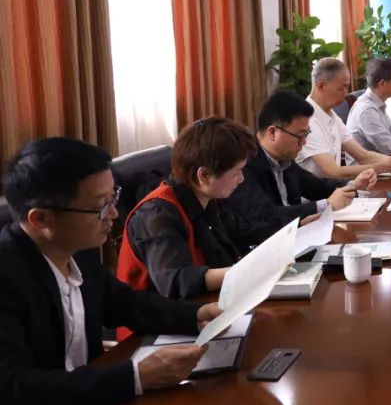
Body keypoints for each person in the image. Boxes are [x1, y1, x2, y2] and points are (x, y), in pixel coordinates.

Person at [0, 137, 224, 404]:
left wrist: (195, 315)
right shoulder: (7, 276)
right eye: (100, 206)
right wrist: (136, 377)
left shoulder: (77, 249)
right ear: (41, 219)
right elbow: (13, 386)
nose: (114, 214)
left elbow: (125, 303)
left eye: (113, 197)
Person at [118, 117, 257, 300]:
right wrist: (247, 272)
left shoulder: (206, 198)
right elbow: (175, 281)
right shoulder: (157, 215)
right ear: (204, 175)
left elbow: (244, 231)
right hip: (162, 315)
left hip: (206, 303)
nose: (241, 179)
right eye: (236, 172)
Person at [220, 90, 379, 251]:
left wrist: (353, 184)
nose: (304, 142)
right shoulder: (244, 166)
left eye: (306, 134)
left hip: (296, 241)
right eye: (299, 135)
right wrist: (327, 204)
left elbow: (315, 185)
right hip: (268, 250)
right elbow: (266, 216)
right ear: (273, 132)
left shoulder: (284, 158)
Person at [297, 58, 391, 180]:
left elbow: (363, 155)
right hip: (319, 191)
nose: (346, 93)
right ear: (321, 85)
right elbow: (334, 172)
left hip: (336, 187)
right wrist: (385, 166)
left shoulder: (332, 116)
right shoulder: (307, 121)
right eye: (342, 88)